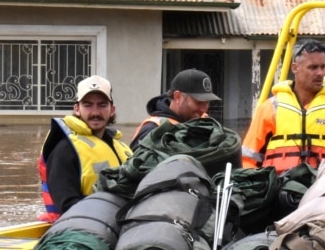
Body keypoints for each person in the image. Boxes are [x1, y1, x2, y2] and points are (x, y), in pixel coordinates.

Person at [242, 40, 325, 172]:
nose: (320, 73)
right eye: (313, 67)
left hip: (322, 188)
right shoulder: (269, 109)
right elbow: (248, 159)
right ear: (295, 68)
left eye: (322, 67)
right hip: (277, 187)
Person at [37, 75, 133, 222]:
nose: (95, 112)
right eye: (88, 105)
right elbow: (67, 205)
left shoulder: (121, 147)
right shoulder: (65, 150)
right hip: (79, 231)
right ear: (77, 109)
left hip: (120, 225)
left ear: (112, 109)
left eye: (102, 105)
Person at [129, 68, 221, 149]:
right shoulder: (152, 129)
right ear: (178, 97)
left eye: (207, 102)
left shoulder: (206, 123)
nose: (203, 109)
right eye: (198, 102)